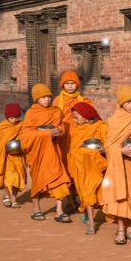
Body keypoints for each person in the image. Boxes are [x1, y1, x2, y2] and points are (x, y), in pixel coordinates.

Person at [99, 86, 131, 246]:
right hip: (119, 164)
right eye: (128, 102)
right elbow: (108, 146)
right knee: (120, 197)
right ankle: (121, 229)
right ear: (121, 103)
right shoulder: (114, 120)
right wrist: (121, 150)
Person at [19, 84, 72, 222]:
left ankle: (59, 211)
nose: (47, 100)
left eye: (49, 97)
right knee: (37, 179)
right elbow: (26, 135)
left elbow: (60, 126)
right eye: (43, 97)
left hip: (54, 151)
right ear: (36, 99)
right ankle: (36, 209)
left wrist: (59, 130)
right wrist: (48, 133)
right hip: (38, 153)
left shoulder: (56, 111)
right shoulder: (31, 113)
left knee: (59, 177)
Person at [52, 71, 93, 213]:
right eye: (67, 84)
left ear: (77, 84)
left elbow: (91, 118)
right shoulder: (57, 101)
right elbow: (53, 120)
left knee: (80, 168)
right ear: (63, 85)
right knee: (66, 169)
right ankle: (70, 201)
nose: (70, 86)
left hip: (80, 138)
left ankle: (83, 200)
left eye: (72, 83)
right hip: (64, 140)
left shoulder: (85, 101)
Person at [67, 102, 107, 235]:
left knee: (101, 193)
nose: (74, 120)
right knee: (88, 193)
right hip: (83, 168)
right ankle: (91, 222)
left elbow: (108, 144)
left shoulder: (101, 127)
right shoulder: (76, 131)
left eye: (76, 117)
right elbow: (73, 151)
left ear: (85, 115)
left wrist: (103, 150)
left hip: (99, 167)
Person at [0, 103, 27, 208]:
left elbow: (25, 138)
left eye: (16, 117)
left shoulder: (21, 125)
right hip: (6, 157)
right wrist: (4, 147)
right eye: (11, 118)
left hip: (18, 156)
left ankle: (14, 198)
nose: (14, 120)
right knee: (8, 177)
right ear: (7, 117)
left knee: (18, 176)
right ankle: (6, 194)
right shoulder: (1, 126)